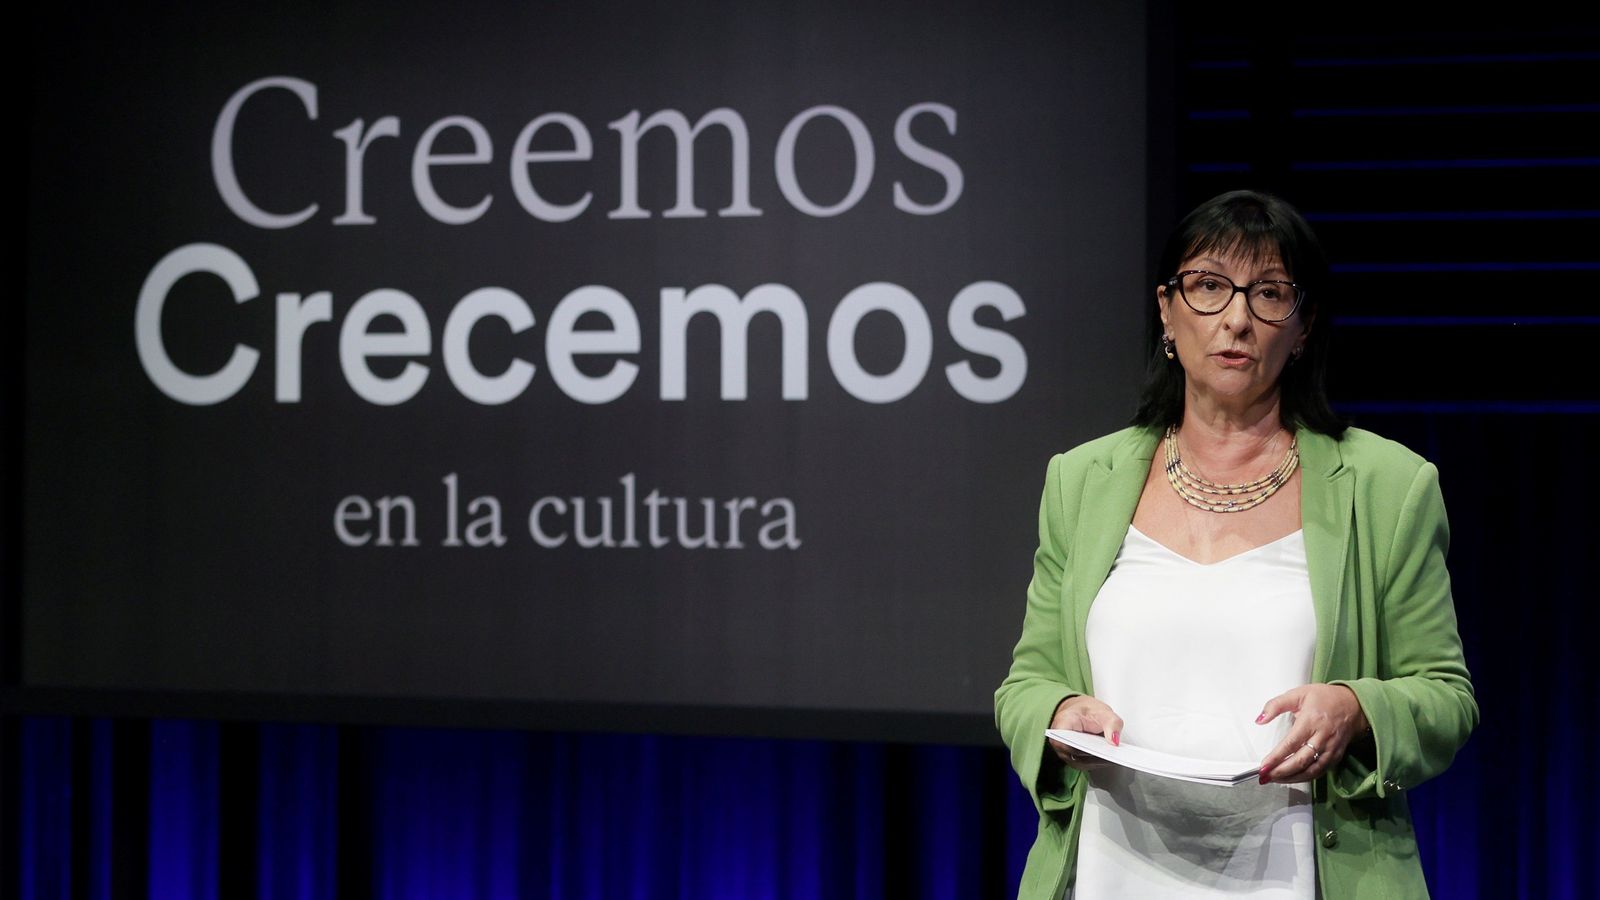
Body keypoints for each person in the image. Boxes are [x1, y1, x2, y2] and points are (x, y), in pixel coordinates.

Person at [994, 190, 1477, 899]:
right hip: (1108, 873)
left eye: (1270, 293)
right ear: (1167, 311)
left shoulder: (1387, 486)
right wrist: (1059, 715)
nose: (1238, 319)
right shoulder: (1082, 480)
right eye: (1209, 286)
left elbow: (1445, 698)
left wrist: (1356, 708)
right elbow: (1027, 684)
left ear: (1303, 326)